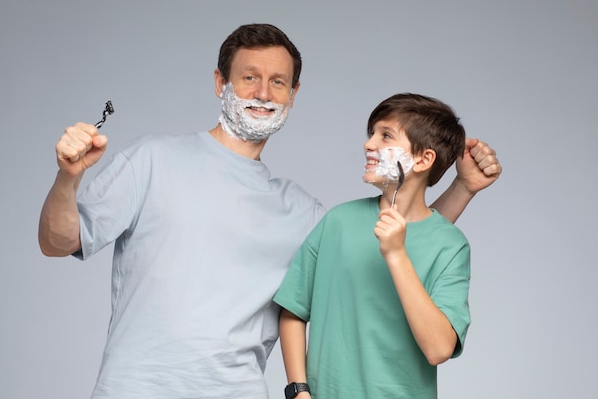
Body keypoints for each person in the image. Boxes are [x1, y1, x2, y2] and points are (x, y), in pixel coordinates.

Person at [38, 24, 501, 399]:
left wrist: (461, 187)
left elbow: (390, 238)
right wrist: (68, 178)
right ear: (221, 82)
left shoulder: (306, 213)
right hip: (135, 390)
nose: (263, 92)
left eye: (278, 81)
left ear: (293, 94)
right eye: (249, 77)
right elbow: (59, 242)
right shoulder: (152, 159)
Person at [274, 93, 484, 399]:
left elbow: (439, 349)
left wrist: (397, 255)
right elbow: (293, 310)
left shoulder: (450, 245)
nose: (369, 144)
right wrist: (299, 392)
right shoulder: (338, 221)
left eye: (386, 135)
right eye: (371, 133)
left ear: (424, 159)